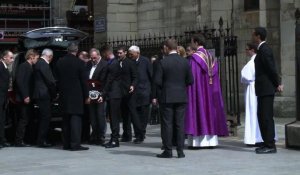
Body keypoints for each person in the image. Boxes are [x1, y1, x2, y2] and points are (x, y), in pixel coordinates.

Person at [185, 34, 228, 148]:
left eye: (192, 41)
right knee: (209, 112)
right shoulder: (211, 57)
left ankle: (198, 142)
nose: (191, 43)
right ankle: (211, 142)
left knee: (199, 109)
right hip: (209, 93)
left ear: (196, 42)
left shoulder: (195, 58)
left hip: (199, 93)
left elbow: (191, 79)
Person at [155, 39, 194, 158]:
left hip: (167, 97)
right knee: (180, 124)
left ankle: (168, 150)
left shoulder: (163, 62)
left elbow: (157, 81)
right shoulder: (184, 62)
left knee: (167, 124)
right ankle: (180, 151)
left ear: (166, 48)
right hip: (181, 96)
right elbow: (190, 80)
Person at [252, 27, 283, 154]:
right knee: (261, 116)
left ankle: (270, 145)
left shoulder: (265, 50)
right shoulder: (261, 50)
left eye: (253, 34)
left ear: (258, 36)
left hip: (267, 89)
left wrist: (278, 83)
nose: (252, 36)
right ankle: (266, 142)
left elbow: (271, 69)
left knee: (266, 117)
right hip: (262, 89)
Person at [55, 43, 90, 151]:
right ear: (77, 50)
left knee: (65, 120)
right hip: (76, 96)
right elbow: (84, 82)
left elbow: (57, 78)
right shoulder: (79, 63)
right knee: (76, 120)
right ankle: (75, 144)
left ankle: (66, 144)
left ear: (67, 50)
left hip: (64, 95)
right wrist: (87, 96)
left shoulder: (60, 62)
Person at [118, 45, 144, 144]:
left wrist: (133, 85)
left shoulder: (130, 63)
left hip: (130, 92)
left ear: (125, 53)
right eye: (118, 53)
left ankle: (139, 135)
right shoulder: (117, 63)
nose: (119, 54)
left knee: (133, 114)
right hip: (121, 92)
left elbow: (135, 77)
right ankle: (126, 134)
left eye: (121, 53)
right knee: (124, 115)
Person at [14, 49, 39, 147]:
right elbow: (20, 82)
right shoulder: (24, 66)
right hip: (24, 98)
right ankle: (19, 141)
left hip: (28, 98)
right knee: (23, 119)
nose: (36, 60)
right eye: (36, 58)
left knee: (27, 119)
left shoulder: (30, 66)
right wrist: (25, 96)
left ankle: (26, 139)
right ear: (31, 56)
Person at [241, 43, 264, 145]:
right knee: (257, 111)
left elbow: (245, 76)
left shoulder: (252, 62)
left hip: (252, 88)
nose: (246, 51)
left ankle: (253, 138)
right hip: (256, 86)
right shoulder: (257, 60)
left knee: (252, 111)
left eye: (247, 49)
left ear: (252, 50)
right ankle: (259, 136)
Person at [128, 45, 153, 140]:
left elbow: (151, 76)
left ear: (137, 53)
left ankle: (141, 133)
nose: (130, 55)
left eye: (131, 54)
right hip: (133, 92)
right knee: (135, 115)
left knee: (143, 115)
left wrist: (151, 92)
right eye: (129, 54)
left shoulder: (145, 61)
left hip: (144, 91)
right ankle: (138, 133)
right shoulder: (129, 61)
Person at [33, 48, 56, 148]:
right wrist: (55, 93)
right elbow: (50, 81)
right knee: (45, 118)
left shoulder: (39, 63)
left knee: (44, 117)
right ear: (49, 56)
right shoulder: (43, 64)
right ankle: (42, 141)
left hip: (40, 93)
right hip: (43, 94)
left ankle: (42, 139)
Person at [86, 48, 108, 145]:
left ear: (99, 55)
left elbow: (105, 82)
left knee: (100, 116)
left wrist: (102, 95)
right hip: (90, 94)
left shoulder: (104, 65)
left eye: (94, 58)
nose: (93, 60)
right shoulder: (88, 64)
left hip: (99, 94)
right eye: (91, 58)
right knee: (93, 117)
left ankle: (101, 136)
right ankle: (94, 135)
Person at [102, 46, 123, 148]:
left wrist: (104, 92)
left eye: (103, 54)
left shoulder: (113, 63)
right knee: (112, 117)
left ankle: (115, 140)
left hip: (114, 94)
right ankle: (113, 138)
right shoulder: (112, 62)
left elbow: (110, 80)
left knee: (114, 118)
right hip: (112, 94)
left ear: (106, 53)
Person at [0, 50, 14, 148]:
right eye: (11, 57)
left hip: (3, 99)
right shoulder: (1, 67)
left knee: (2, 120)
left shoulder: (4, 67)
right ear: (4, 57)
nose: (12, 60)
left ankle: (2, 140)